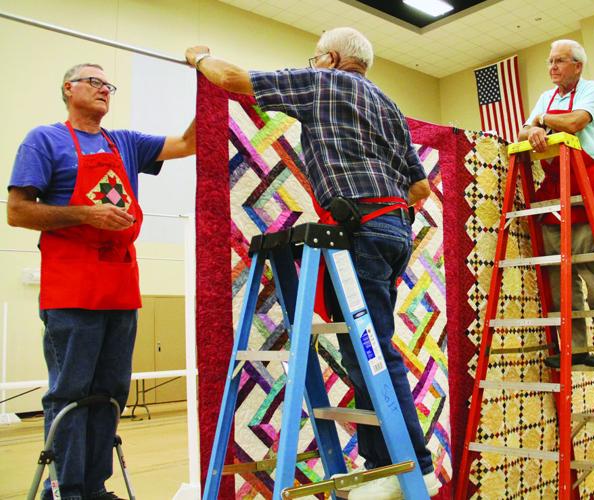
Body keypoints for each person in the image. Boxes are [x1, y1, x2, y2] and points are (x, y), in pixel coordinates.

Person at [185, 27, 438, 499]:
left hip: (361, 230)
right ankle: (386, 467)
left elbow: (236, 80)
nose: (312, 61)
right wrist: (382, 207)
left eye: (315, 56)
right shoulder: (388, 105)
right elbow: (420, 189)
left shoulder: (323, 82)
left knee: (372, 352)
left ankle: (409, 469)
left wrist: (199, 57)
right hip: (394, 230)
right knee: (369, 349)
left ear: (331, 58)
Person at [6, 63, 195, 500]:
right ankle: (66, 489)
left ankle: (95, 486)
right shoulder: (44, 140)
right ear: (67, 87)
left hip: (120, 287)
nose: (104, 89)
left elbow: (188, 142)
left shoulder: (125, 143)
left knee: (111, 392)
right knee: (71, 392)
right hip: (71, 289)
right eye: (94, 81)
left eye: (108, 84)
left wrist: (210, 84)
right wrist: (86, 214)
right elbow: (17, 212)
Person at [517, 40, 594, 368]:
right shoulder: (546, 96)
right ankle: (573, 349)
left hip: (584, 186)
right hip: (552, 192)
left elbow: (576, 122)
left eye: (559, 61)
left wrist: (542, 122)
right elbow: (523, 131)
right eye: (550, 61)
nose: (552, 67)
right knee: (558, 280)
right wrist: (533, 129)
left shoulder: (591, 88)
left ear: (577, 65)